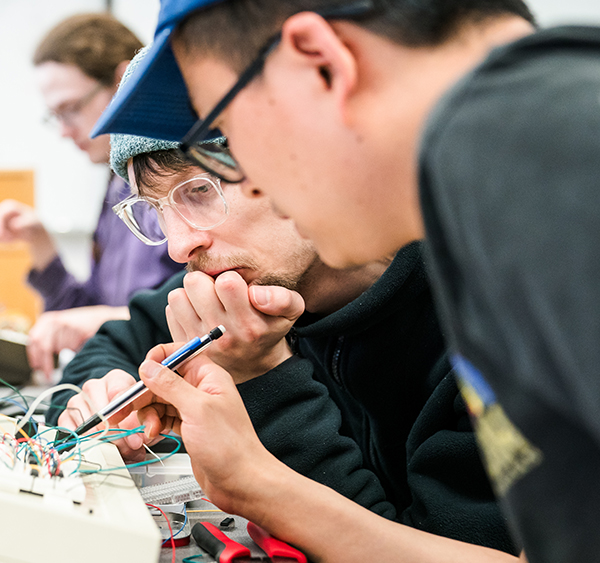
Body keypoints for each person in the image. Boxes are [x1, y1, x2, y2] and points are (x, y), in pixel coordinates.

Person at [93, 1, 599, 562]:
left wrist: (257, 481)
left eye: (234, 138)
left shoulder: (561, 167)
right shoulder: (501, 194)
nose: (263, 185)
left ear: (320, 62)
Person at [48, 102, 517, 557]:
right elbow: (114, 342)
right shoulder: (242, 278)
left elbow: (418, 545)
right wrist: (98, 392)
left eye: (199, 191)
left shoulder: (495, 324)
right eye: (155, 211)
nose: (179, 245)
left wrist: (263, 378)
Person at [0, 14, 183, 380]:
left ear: (124, 81)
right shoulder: (118, 185)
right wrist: (40, 244)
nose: (63, 131)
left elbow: (200, 321)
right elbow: (90, 316)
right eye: (55, 116)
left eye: (71, 109)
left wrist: (101, 319)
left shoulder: (182, 180)